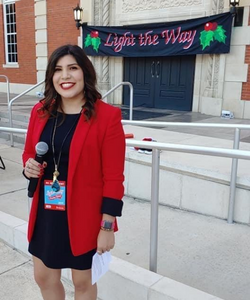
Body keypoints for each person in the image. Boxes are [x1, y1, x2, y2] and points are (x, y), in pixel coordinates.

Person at [22, 44, 125, 300]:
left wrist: (107, 226)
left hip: (85, 216)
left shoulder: (107, 116)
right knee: (43, 276)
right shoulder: (40, 111)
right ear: (51, 76)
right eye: (58, 70)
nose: (65, 76)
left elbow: (114, 177)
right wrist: (28, 167)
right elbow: (28, 153)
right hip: (47, 209)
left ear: (85, 73)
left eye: (72, 68)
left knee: (82, 283)